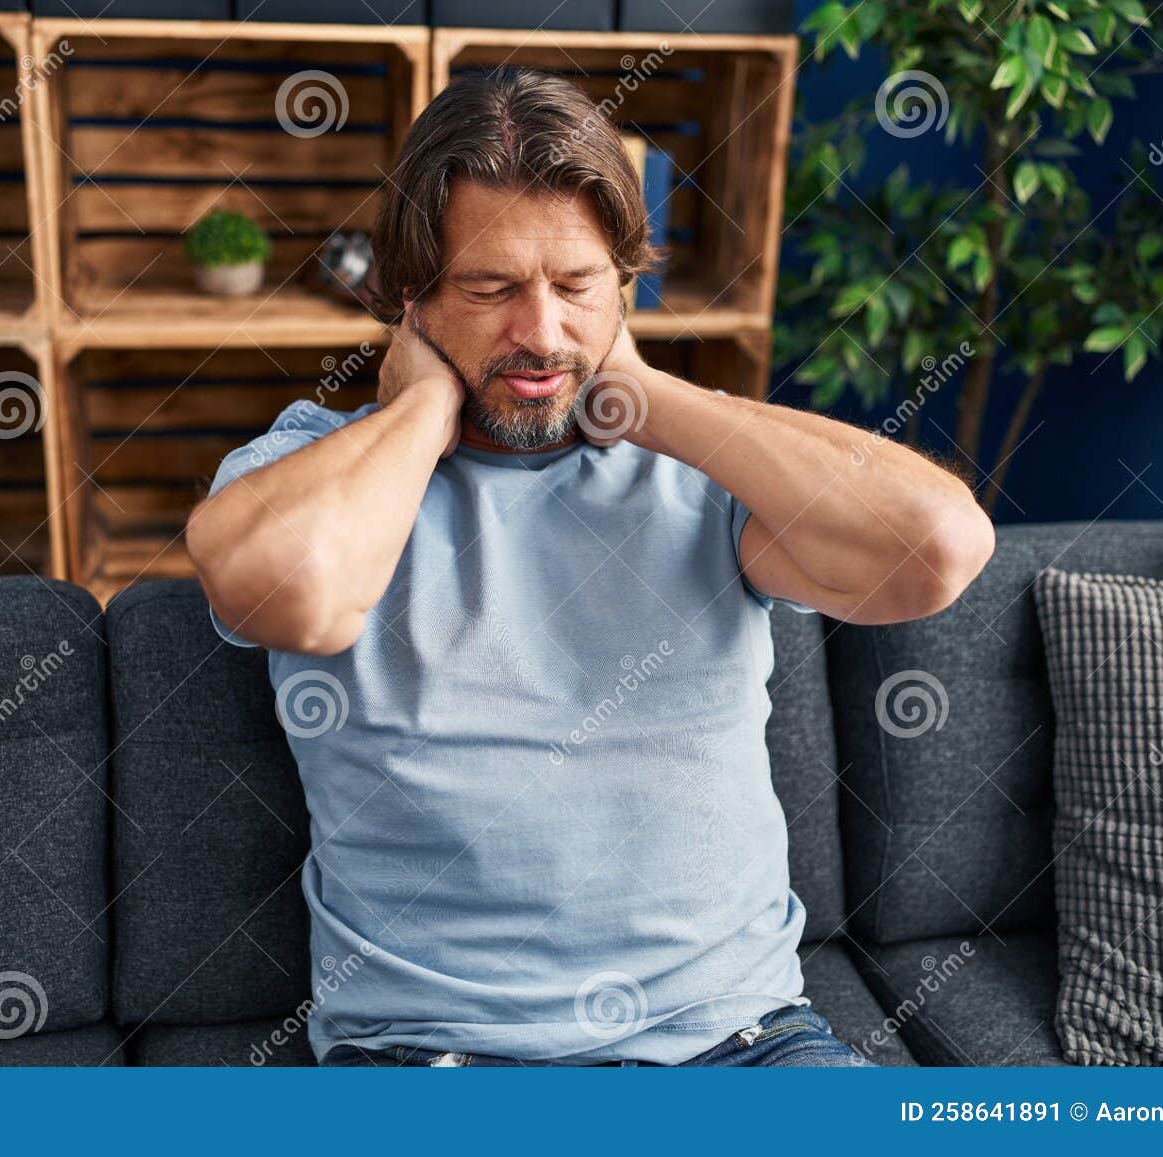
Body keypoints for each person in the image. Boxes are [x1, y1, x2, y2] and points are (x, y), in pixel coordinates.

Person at [185, 67, 994, 1068]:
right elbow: (292, 591)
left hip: (739, 1050)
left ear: (624, 286)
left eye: (575, 286)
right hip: (435, 1061)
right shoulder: (311, 469)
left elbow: (936, 552)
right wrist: (420, 411)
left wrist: (643, 395)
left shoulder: (703, 476)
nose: (539, 333)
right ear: (412, 297)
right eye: (489, 289)